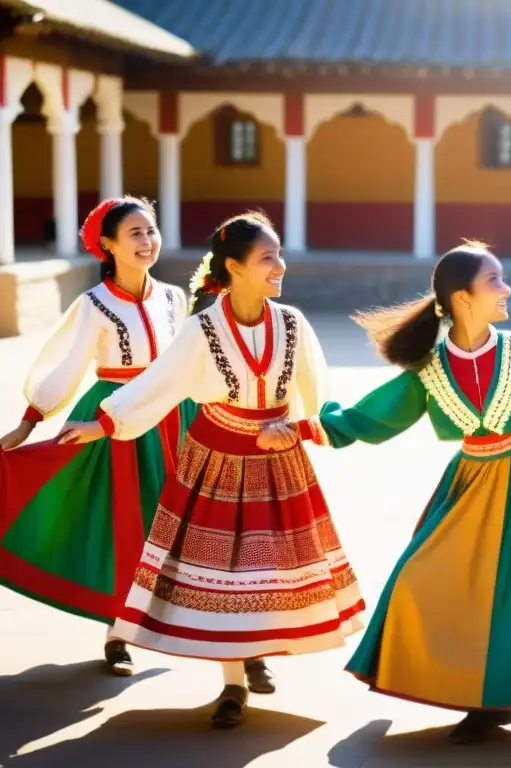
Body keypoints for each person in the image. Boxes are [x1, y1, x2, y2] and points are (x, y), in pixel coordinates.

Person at [258, 241, 511, 744]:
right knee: (417, 579)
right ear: (463, 298)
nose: (506, 288)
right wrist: (303, 429)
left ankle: (489, 703)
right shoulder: (431, 368)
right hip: (468, 484)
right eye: (496, 281)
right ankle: (475, 692)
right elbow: (374, 415)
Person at [58, 211, 366, 728]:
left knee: (265, 571)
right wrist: (103, 424)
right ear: (234, 267)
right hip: (216, 462)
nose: (279, 266)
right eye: (268, 257)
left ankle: (255, 650)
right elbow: (159, 383)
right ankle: (232, 685)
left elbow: (318, 399)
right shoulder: (203, 329)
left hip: (277, 462)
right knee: (222, 575)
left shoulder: (292, 324)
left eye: (278, 255)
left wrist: (300, 429)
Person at [0, 197, 190, 678]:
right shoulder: (93, 304)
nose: (147, 242)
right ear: (108, 245)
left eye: (151, 231)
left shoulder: (173, 297)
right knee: (123, 523)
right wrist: (30, 420)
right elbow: (65, 362)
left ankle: (185, 624)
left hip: (171, 415)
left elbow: (187, 361)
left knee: (179, 523)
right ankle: (117, 632)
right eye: (135, 234)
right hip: (112, 421)